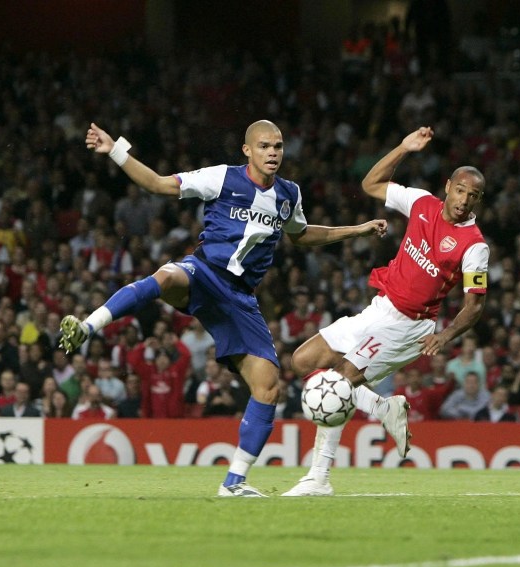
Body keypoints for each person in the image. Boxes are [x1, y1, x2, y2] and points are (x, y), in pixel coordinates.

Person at [59, 120, 388, 497]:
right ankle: (88, 326)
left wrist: (357, 229)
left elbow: (301, 235)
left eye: (278, 146)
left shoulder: (288, 194)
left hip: (240, 299)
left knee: (267, 388)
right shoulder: (221, 178)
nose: (273, 153)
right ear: (247, 150)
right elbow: (159, 184)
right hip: (204, 272)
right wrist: (115, 148)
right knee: (166, 277)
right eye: (264, 146)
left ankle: (234, 483)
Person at [284, 126, 489, 496]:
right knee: (303, 360)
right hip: (380, 309)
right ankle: (381, 408)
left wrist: (444, 336)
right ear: (448, 187)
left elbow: (475, 304)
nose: (464, 200)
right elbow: (371, 184)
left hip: (410, 326)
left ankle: (318, 478)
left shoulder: (474, 246)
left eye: (473, 196)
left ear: (478, 201)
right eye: (460, 191)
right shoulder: (421, 203)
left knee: (341, 382)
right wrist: (403, 148)